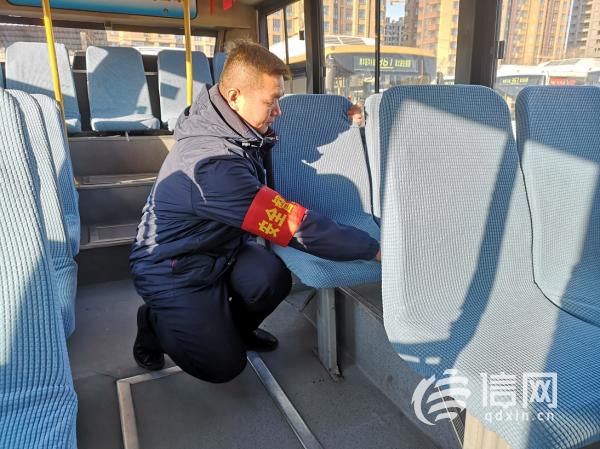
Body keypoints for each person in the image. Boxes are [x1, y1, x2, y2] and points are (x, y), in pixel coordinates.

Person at [129, 40, 380, 384]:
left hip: (220, 247)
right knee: (223, 366)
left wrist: (346, 116)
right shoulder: (213, 165)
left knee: (271, 279)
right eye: (271, 101)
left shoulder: (231, 127)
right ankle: (153, 323)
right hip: (174, 268)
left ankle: (233, 330)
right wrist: (371, 248)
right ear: (234, 96)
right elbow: (292, 225)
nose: (278, 111)